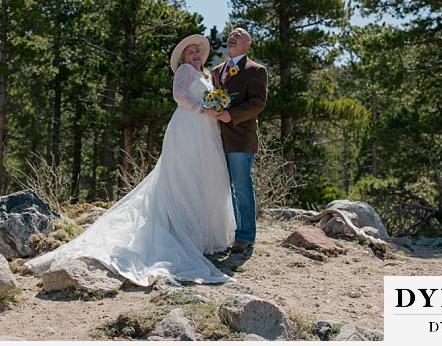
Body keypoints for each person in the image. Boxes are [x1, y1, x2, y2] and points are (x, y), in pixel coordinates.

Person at [24, 34, 236, 286]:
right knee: (186, 176)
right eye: (190, 52)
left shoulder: (206, 75)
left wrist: (216, 107)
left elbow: (209, 97)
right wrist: (202, 109)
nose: (195, 55)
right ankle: (185, 232)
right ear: (183, 58)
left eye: (197, 51)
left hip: (207, 130)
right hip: (188, 127)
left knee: (205, 177)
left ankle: (205, 235)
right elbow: (179, 95)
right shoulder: (185, 71)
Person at [211, 28, 268, 253]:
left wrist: (231, 115)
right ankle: (229, 232)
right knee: (223, 188)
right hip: (216, 139)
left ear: (248, 44)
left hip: (241, 139)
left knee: (242, 187)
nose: (232, 36)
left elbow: (258, 103)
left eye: (238, 34)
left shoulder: (256, 70)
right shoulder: (216, 71)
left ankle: (245, 236)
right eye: (231, 34)